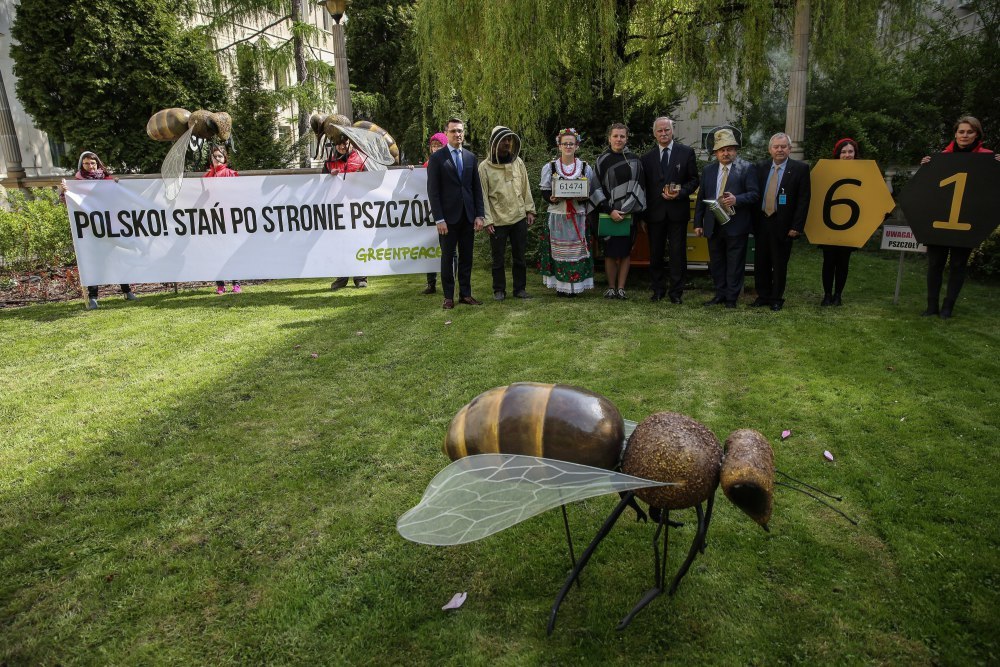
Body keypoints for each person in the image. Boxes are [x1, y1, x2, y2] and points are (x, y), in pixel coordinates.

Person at [919, 115, 999, 319]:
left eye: (969, 132)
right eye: (961, 131)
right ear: (955, 133)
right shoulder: (941, 157)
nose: (964, 135)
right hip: (941, 218)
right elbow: (928, 187)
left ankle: (948, 307)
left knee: (957, 264)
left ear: (977, 134)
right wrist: (925, 166)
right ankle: (931, 306)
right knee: (935, 263)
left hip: (966, 220)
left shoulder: (988, 158)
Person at [59, 151, 137, 310]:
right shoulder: (77, 183)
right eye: (87, 163)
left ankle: (126, 291)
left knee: (118, 258)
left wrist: (118, 186)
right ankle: (93, 296)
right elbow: (70, 204)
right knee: (93, 261)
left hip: (110, 226)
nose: (90, 166)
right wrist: (64, 192)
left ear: (98, 164)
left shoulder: (107, 180)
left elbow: (118, 199)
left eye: (93, 163)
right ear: (82, 165)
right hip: (90, 229)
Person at [693, 127, 760, 308]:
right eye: (722, 149)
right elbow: (701, 198)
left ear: (735, 150)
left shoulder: (747, 168)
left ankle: (732, 298)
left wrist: (737, 199)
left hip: (736, 225)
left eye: (729, 149)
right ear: (716, 153)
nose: (726, 153)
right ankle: (720, 294)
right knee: (717, 263)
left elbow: (755, 194)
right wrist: (698, 222)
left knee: (735, 263)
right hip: (713, 224)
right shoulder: (708, 170)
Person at [637, 117, 699, 303]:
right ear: (654, 133)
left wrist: (680, 193)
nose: (663, 134)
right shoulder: (646, 158)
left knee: (677, 254)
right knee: (655, 254)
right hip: (654, 214)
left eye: (667, 130)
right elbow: (643, 188)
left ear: (673, 131)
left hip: (677, 212)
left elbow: (694, 180)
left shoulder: (686, 152)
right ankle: (657, 290)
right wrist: (642, 215)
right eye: (659, 131)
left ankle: (676, 293)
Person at [426, 117, 486, 309]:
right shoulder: (437, 158)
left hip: (468, 217)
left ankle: (466, 295)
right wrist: (439, 219)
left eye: (460, 131)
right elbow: (433, 192)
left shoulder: (470, 157)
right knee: (447, 258)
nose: (457, 134)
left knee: (467, 257)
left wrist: (479, 215)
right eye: (453, 131)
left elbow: (476, 188)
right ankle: (448, 297)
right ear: (446, 133)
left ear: (463, 133)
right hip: (447, 219)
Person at [538, 128, 601, 297]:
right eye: (564, 143)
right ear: (559, 146)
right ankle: (561, 286)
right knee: (559, 251)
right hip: (558, 214)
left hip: (578, 215)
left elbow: (589, 192)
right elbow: (545, 191)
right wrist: (551, 198)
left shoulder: (585, 167)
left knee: (576, 251)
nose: (568, 146)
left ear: (577, 146)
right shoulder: (550, 167)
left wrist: (582, 198)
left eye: (571, 144)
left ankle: (575, 286)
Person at [751, 132, 811, 311]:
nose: (779, 150)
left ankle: (776, 298)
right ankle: (762, 295)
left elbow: (804, 200)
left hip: (784, 224)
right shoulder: (760, 167)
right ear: (770, 149)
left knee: (779, 263)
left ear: (789, 149)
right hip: (762, 221)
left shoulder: (800, 169)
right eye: (776, 147)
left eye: (783, 146)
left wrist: (797, 226)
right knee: (760, 262)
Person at [479, 126, 536, 301]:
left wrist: (530, 210)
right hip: (497, 220)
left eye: (509, 140)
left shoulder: (518, 162)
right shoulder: (484, 167)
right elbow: (482, 195)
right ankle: (499, 290)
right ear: (494, 143)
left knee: (519, 256)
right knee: (498, 259)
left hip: (519, 216)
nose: (506, 143)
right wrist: (487, 220)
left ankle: (520, 289)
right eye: (503, 140)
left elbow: (525, 188)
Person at [594, 123, 646, 300]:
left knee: (625, 252)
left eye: (622, 136)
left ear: (627, 138)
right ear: (609, 138)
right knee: (610, 252)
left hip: (629, 214)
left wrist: (625, 211)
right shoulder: (602, 160)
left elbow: (640, 187)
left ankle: (621, 288)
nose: (618, 139)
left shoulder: (635, 160)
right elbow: (595, 188)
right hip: (608, 214)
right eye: (615, 136)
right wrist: (610, 210)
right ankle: (610, 287)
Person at [325, 135, 368, 290]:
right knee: (339, 245)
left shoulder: (361, 159)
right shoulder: (329, 162)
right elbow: (320, 185)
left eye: (344, 143)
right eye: (338, 144)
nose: (342, 146)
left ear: (350, 143)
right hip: (337, 211)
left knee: (358, 243)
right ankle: (341, 277)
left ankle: (360, 277)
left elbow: (371, 180)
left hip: (357, 209)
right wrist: (329, 177)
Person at [820, 138, 860, 306]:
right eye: (844, 152)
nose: (847, 155)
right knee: (828, 261)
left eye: (850, 151)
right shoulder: (828, 170)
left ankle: (838, 295)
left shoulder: (862, 171)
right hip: (829, 223)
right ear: (838, 154)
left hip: (851, 224)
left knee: (843, 262)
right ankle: (827, 294)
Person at [203, 145, 242, 295]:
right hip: (213, 221)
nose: (217, 159)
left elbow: (238, 197)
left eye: (220, 156)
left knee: (231, 252)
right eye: (214, 156)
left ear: (225, 158)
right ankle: (220, 285)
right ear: (211, 159)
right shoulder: (206, 177)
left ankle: (236, 283)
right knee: (216, 253)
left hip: (230, 221)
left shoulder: (232, 174)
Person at [421, 132, 449, 295]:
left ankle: (450, 279)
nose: (436, 148)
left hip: (445, 213)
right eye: (433, 145)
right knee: (429, 247)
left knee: (447, 249)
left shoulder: (448, 162)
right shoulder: (426, 165)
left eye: (439, 145)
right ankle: (431, 283)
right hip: (428, 214)